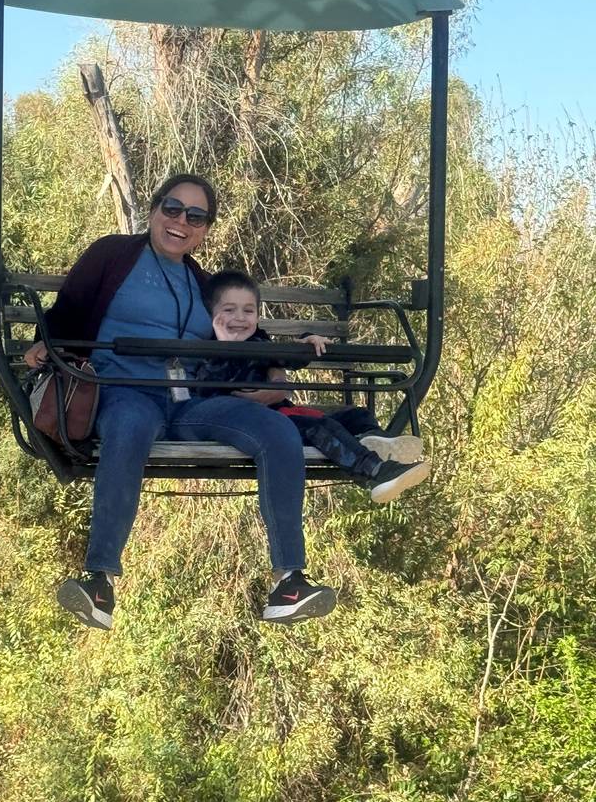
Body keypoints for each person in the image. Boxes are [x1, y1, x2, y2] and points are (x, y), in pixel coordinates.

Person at [24, 174, 336, 630]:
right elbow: (67, 311)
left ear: (205, 228)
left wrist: (293, 352)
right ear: (153, 210)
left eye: (196, 216)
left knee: (276, 429)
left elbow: (242, 330)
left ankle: (289, 580)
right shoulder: (112, 256)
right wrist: (43, 345)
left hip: (191, 403)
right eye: (172, 209)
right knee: (128, 429)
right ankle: (100, 579)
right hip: (124, 393)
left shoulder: (201, 283)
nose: (181, 222)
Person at [196, 269, 431, 503]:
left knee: (357, 415)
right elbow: (208, 387)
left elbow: (285, 357)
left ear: (258, 316)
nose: (239, 318)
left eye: (248, 311)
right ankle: (375, 472)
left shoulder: (259, 341)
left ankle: (373, 442)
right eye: (229, 310)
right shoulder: (209, 349)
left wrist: (307, 342)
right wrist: (226, 347)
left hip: (282, 414)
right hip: (257, 425)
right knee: (319, 426)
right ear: (211, 314)